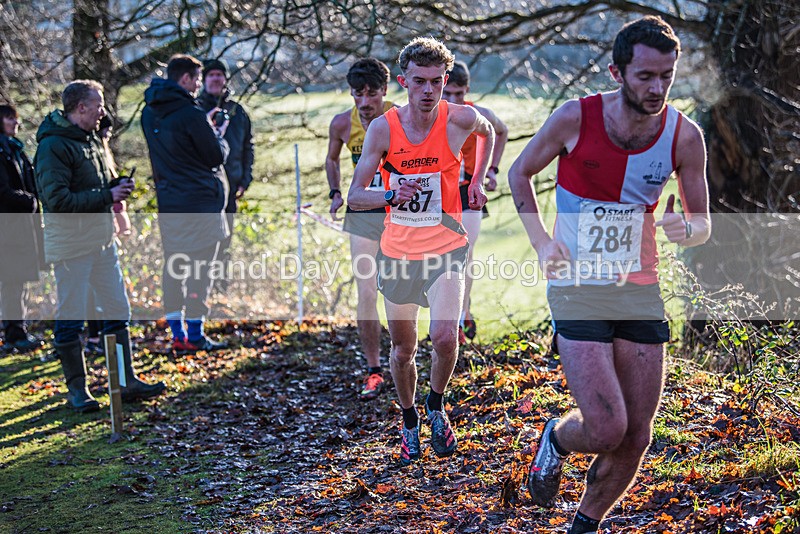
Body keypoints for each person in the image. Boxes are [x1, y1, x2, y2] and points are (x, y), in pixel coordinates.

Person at [508, 16, 710, 534]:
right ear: (617, 72)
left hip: (639, 288)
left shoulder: (684, 136)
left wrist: (681, 228)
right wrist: (542, 242)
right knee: (606, 426)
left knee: (637, 434)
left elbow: (702, 224)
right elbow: (520, 172)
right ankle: (554, 436)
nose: (657, 87)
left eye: (666, 75)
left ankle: (585, 524)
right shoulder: (576, 118)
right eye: (645, 75)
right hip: (576, 286)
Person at [348, 37, 494, 465]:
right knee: (403, 351)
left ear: (445, 80)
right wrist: (392, 193)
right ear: (403, 82)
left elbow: (489, 133)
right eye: (419, 81)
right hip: (397, 252)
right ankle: (409, 419)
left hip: (447, 247)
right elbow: (357, 196)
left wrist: (477, 179)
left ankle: (435, 405)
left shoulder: (459, 118)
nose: (428, 90)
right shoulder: (383, 128)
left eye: (436, 81)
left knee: (446, 338)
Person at [34, 80, 166, 412]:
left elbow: (94, 185)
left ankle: (126, 381)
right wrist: (107, 196)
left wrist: (116, 185)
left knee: (118, 311)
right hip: (71, 247)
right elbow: (57, 200)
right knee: (72, 318)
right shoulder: (53, 147)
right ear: (81, 108)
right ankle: (77, 391)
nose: (103, 111)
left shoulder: (91, 140)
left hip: (102, 242)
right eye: (99, 105)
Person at [141, 54, 230, 353]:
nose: (197, 86)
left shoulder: (149, 113)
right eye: (195, 80)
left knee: (174, 266)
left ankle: (176, 332)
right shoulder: (191, 114)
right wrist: (217, 135)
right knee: (201, 270)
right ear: (185, 79)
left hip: (170, 202)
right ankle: (194, 334)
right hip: (201, 203)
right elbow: (214, 156)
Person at [325, 58, 395, 401]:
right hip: (362, 213)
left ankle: (404, 358)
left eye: (372, 94)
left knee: (401, 289)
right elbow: (330, 159)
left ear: (385, 91)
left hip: (402, 214)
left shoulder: (404, 116)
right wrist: (336, 192)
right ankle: (374, 369)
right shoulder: (342, 124)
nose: (365, 103)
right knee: (366, 290)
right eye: (358, 94)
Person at [442, 60, 509, 343]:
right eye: (448, 94)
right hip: (438, 192)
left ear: (467, 90)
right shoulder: (429, 115)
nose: (454, 100)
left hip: (469, 190)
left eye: (459, 94)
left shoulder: (478, 115)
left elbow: (501, 131)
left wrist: (491, 170)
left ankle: (459, 317)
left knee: (463, 253)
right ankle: (451, 315)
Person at [197, 58, 255, 287]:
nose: (215, 79)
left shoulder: (237, 111)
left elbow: (248, 146)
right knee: (203, 240)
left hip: (231, 185)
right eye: (210, 75)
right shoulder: (196, 109)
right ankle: (202, 286)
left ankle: (221, 285)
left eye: (219, 75)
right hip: (204, 187)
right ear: (203, 80)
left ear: (225, 79)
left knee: (225, 237)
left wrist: (245, 180)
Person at [85, 113, 132, 355]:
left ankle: (102, 337)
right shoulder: (93, 154)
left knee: (104, 293)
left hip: (107, 227)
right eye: (106, 132)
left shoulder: (104, 155)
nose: (108, 136)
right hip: (93, 231)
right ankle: (94, 337)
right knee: (93, 290)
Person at [0, 104, 44, 353]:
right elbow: (3, 191)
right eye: (9, 118)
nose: (15, 123)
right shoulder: (3, 152)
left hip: (20, 226)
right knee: (12, 282)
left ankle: (19, 330)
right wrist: (30, 201)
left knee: (19, 281)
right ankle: (15, 334)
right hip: (8, 227)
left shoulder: (15, 149)